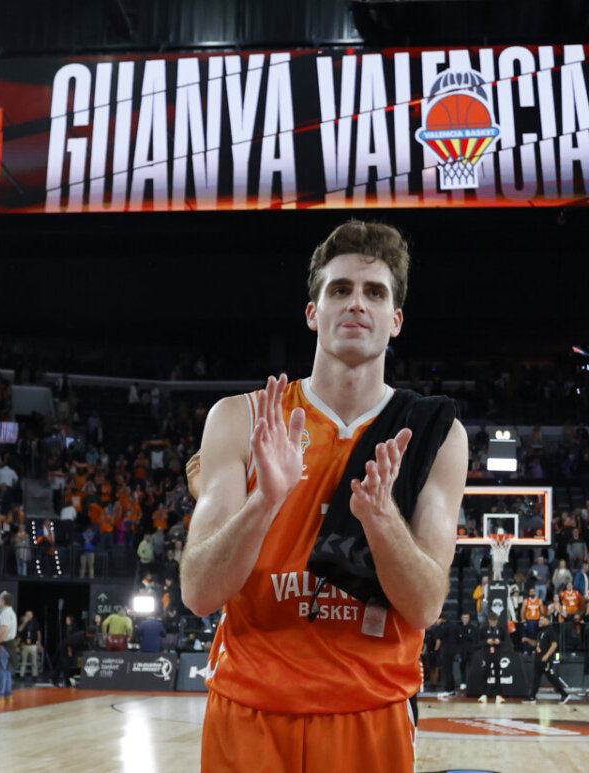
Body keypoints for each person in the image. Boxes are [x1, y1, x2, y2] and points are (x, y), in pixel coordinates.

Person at [180, 221, 466, 773]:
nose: (356, 304)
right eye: (339, 290)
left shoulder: (433, 432)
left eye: (374, 293)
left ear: (395, 321)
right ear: (313, 312)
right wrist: (265, 500)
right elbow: (198, 590)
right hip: (249, 710)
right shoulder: (240, 418)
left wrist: (381, 520)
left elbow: (427, 604)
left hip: (370, 710)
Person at [522, 613, 571, 704]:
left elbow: (554, 644)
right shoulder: (541, 632)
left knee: (551, 677)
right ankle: (532, 697)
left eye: (542, 620)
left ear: (548, 621)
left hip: (545, 660)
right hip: (538, 659)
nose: (539, 621)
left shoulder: (550, 631)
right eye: (539, 620)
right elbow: (536, 644)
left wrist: (547, 655)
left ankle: (564, 694)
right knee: (536, 678)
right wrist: (528, 640)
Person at [479, 612, 510, 704]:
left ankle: (499, 695)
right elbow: (478, 642)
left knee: (498, 675)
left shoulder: (501, 629)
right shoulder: (484, 629)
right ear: (489, 620)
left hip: (497, 654)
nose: (494, 623)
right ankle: (483, 694)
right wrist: (486, 642)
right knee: (485, 674)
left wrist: (499, 642)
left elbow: (506, 642)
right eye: (492, 621)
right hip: (486, 653)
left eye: (495, 621)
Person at [0, 591, 17, 701]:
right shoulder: (10, 612)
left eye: (0, 599)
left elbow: (4, 629)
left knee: (1, 670)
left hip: (4, 644)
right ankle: (7, 695)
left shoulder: (6, 613)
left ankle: (1, 695)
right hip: (9, 644)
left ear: (4, 601)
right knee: (6, 670)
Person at [17, 609, 42, 681]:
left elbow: (38, 633)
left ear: (32, 616)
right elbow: (19, 630)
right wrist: (24, 622)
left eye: (29, 615)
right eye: (27, 615)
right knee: (23, 662)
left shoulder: (35, 622)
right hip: (24, 645)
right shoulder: (23, 621)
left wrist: (39, 643)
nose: (28, 616)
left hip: (33, 645)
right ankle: (22, 675)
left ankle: (35, 675)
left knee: (34, 661)